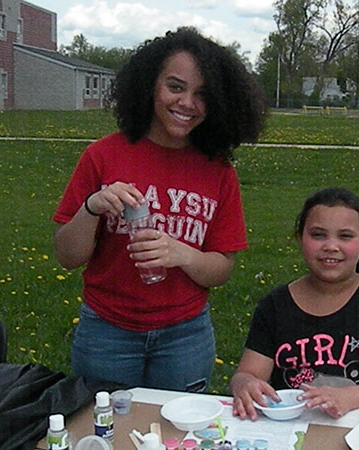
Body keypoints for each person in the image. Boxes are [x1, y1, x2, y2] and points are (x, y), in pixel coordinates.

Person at [52, 27, 266, 392]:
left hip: (185, 337)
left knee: (176, 438)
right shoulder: (103, 155)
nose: (187, 103)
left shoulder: (218, 170)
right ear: (150, 85)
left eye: (202, 94)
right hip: (106, 332)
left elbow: (221, 269)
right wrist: (92, 208)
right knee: (107, 432)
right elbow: (67, 257)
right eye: (176, 87)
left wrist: (182, 255)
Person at [230, 187, 359, 420]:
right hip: (287, 428)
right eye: (318, 235)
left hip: (354, 426)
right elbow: (248, 373)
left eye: (345, 236)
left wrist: (348, 397)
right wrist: (243, 384)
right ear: (300, 238)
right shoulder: (275, 306)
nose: (331, 246)